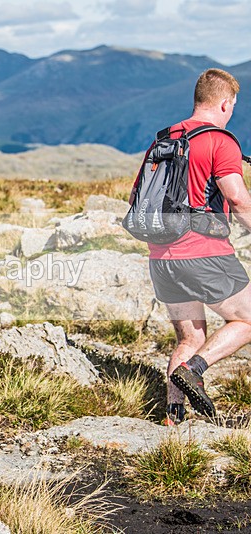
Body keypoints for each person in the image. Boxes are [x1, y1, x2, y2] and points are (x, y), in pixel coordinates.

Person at [132, 69, 251, 424]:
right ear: (226, 103)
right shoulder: (221, 141)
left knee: (188, 337)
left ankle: (173, 417)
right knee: (247, 319)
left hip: (161, 257)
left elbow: (137, 197)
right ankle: (195, 370)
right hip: (203, 254)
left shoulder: (164, 140)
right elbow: (238, 199)